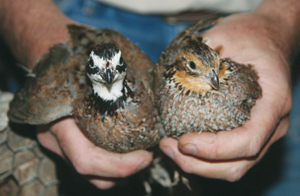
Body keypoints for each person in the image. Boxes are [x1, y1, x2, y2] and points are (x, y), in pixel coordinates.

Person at [0, 0, 299, 193]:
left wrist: (281, 21)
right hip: (76, 11)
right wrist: (36, 32)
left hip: (254, 24)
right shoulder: (79, 86)